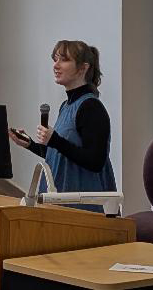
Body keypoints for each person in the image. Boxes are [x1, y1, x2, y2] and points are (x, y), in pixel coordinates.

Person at [8, 40, 116, 212]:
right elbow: (60, 156)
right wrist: (30, 144)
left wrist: (55, 140)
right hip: (62, 202)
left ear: (83, 68)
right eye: (55, 59)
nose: (56, 65)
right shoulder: (65, 106)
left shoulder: (91, 108)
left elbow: (95, 161)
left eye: (64, 60)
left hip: (84, 208)